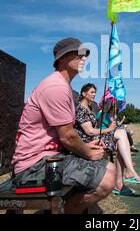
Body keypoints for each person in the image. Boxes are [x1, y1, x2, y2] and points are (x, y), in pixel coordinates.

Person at [11, 37, 116, 214]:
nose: (84, 58)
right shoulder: (55, 86)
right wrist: (88, 152)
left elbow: (67, 136)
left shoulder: (63, 85)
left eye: (85, 55)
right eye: (78, 54)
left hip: (49, 158)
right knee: (108, 177)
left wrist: (85, 146)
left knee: (106, 166)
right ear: (61, 59)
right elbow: (67, 136)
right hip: (33, 166)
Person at [75, 83, 140, 196]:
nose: (94, 94)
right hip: (88, 141)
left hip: (95, 137)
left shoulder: (89, 108)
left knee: (122, 140)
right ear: (84, 93)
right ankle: (126, 175)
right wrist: (109, 129)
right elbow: (89, 131)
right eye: (92, 92)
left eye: (95, 92)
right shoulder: (81, 109)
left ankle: (125, 177)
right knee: (122, 135)